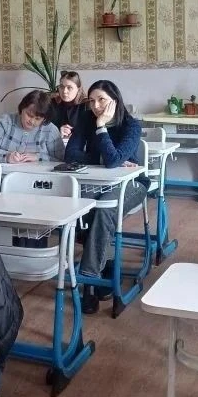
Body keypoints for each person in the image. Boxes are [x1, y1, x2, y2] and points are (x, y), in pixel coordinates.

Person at [64, 79, 147, 314]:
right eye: (92, 101)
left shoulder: (131, 125)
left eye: (102, 100)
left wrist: (101, 127)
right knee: (80, 205)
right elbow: (70, 154)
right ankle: (107, 266)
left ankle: (89, 280)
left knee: (104, 208)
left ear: (115, 100)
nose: (96, 106)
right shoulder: (85, 120)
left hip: (132, 183)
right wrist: (102, 158)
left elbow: (114, 160)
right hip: (97, 181)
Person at [0, 90, 65, 163]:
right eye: (29, 115)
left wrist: (39, 157)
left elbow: (61, 160)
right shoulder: (6, 122)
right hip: (6, 175)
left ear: (44, 119)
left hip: (37, 175)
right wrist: (7, 156)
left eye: (37, 119)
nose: (32, 121)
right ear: (21, 109)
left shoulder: (51, 130)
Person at [51, 70, 87, 140]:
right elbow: (44, 128)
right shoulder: (52, 103)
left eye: (69, 87)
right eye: (61, 87)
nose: (64, 91)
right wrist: (57, 132)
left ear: (78, 89)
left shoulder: (86, 105)